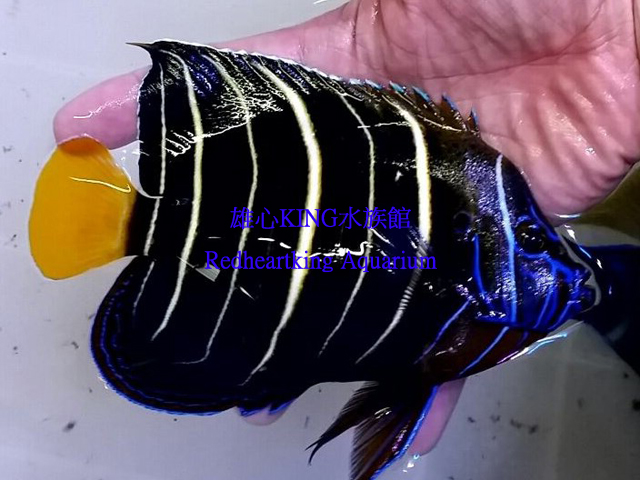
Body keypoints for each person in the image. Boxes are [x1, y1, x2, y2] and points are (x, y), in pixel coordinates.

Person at [53, 0, 640, 457]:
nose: (567, 278)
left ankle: (144, 227)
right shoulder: (489, 195)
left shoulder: (490, 194)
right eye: (533, 240)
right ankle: (137, 224)